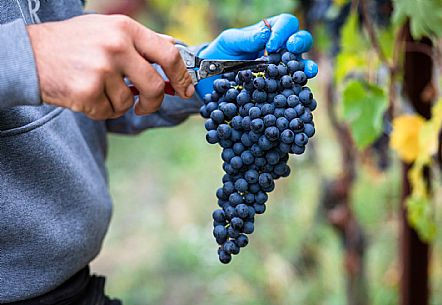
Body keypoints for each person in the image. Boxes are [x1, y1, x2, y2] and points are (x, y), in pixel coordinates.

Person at [0, 1, 317, 304]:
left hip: (76, 285)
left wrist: (190, 68)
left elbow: (73, 81)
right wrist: (24, 56)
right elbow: (40, 61)